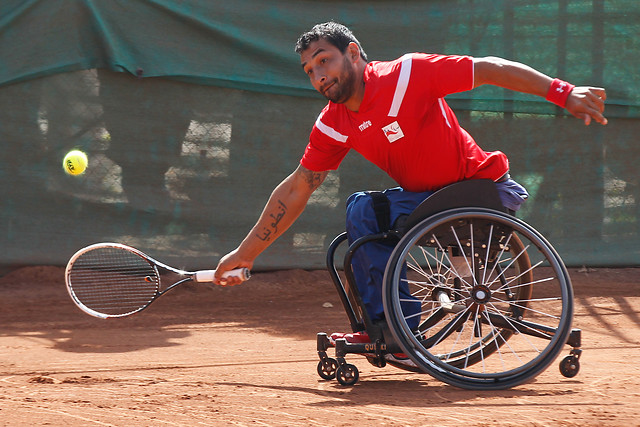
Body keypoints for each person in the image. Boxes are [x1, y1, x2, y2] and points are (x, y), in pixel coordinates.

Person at [212, 22, 607, 355]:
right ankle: (388, 329)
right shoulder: (333, 122)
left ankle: (397, 333)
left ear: (352, 53)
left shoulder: (407, 74)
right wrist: (245, 254)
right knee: (361, 213)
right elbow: (299, 186)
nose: (318, 76)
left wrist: (563, 91)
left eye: (323, 61)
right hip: (430, 205)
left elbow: (487, 68)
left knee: (362, 211)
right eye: (309, 70)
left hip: (477, 190)